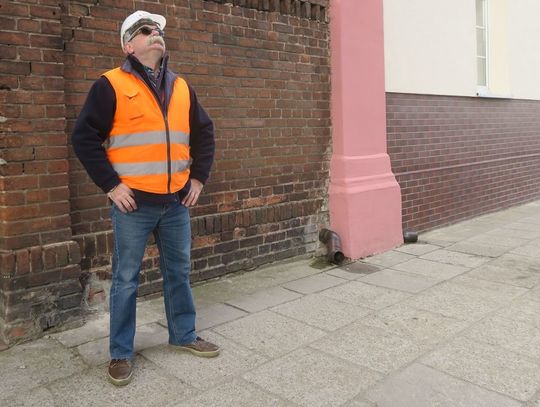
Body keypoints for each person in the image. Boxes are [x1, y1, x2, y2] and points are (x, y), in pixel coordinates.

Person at [72, 10, 219, 386]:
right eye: (145, 30)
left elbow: (204, 133)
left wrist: (198, 179)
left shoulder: (181, 87)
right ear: (128, 45)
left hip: (176, 202)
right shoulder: (110, 85)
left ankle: (183, 335)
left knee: (179, 272)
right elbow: (84, 138)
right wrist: (111, 185)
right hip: (133, 204)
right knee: (125, 278)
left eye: (158, 30)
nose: (156, 33)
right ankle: (120, 352)